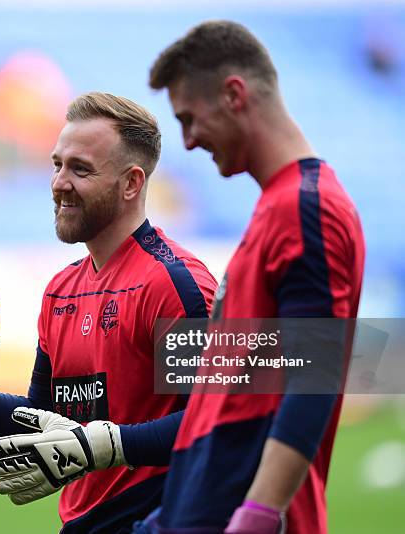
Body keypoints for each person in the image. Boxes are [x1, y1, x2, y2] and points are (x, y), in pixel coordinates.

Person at [0, 92, 217, 533]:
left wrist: (110, 445)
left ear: (132, 183)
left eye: (81, 168)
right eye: (57, 164)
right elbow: (41, 418)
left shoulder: (173, 284)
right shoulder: (60, 292)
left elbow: (214, 421)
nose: (58, 182)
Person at [134, 20, 366, 534]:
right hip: (199, 511)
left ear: (234, 94)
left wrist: (259, 513)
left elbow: (314, 375)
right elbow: (235, 390)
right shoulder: (279, 207)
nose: (188, 141)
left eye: (190, 119)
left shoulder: (307, 208)